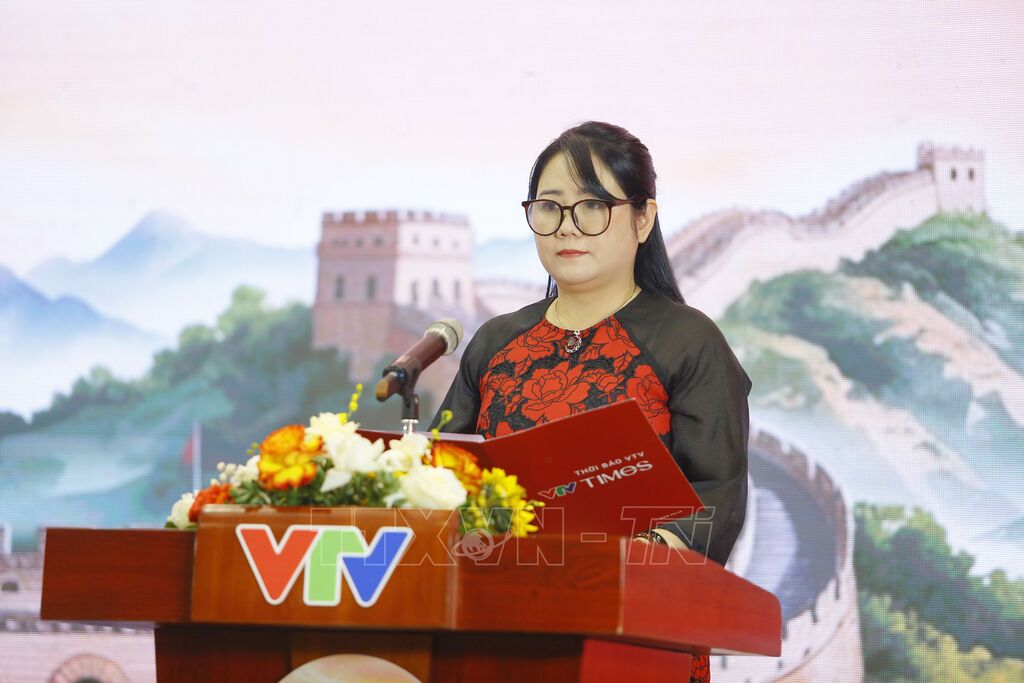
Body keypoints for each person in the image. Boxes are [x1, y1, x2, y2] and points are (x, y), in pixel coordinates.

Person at [432, 121, 751, 683]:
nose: (566, 226)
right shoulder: (496, 341)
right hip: (494, 625)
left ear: (643, 219)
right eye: (549, 208)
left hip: (633, 632)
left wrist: (626, 566)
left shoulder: (688, 340)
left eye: (593, 206)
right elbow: (441, 471)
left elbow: (714, 493)